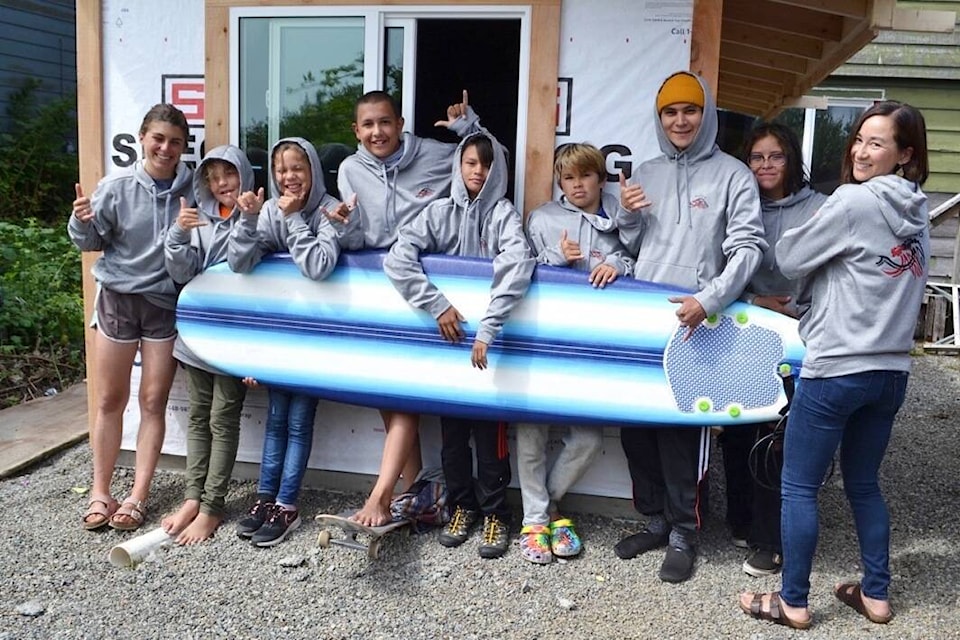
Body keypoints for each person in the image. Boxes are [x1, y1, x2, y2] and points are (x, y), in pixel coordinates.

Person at [740, 101, 930, 629]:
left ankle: (793, 601)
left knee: (798, 485)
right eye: (860, 139)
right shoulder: (918, 213)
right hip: (890, 371)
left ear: (905, 153)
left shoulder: (853, 201)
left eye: (878, 143)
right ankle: (876, 596)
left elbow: (791, 257)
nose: (862, 151)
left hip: (839, 366)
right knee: (864, 485)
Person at [614, 71, 765, 583]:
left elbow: (747, 249)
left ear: (707, 115)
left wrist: (709, 299)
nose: (680, 120)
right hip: (643, 325)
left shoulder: (733, 175)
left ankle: (684, 532)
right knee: (637, 430)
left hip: (699, 325)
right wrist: (628, 221)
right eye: (670, 112)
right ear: (659, 118)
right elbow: (632, 250)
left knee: (683, 435)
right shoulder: (646, 173)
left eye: (690, 110)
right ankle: (656, 521)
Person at [326, 89, 483, 527]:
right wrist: (341, 228)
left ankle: (380, 496)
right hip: (379, 290)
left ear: (400, 123)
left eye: (385, 122)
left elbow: (487, 166)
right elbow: (357, 236)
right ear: (356, 132)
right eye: (368, 125)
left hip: (427, 286)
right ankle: (418, 491)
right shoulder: (352, 168)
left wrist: (470, 129)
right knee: (388, 397)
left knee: (403, 397)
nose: (378, 132)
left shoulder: (435, 155)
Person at [383, 131, 535, 558]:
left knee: (490, 442)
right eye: (470, 163)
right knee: (452, 440)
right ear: (458, 165)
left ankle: (494, 515)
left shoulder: (504, 214)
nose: (478, 172)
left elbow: (517, 265)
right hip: (447, 350)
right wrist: (437, 304)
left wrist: (488, 327)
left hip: (490, 351)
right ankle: (462, 507)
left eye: (486, 165)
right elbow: (398, 258)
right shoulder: (438, 212)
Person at [68, 104, 194, 532]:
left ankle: (139, 495)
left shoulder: (191, 189)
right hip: (118, 301)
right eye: (158, 138)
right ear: (142, 138)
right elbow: (91, 240)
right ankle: (100, 491)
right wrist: (80, 219)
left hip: (163, 305)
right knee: (108, 399)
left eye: (175, 142)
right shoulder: (116, 185)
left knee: (153, 402)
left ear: (183, 147)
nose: (166, 148)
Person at [514, 142, 631, 564]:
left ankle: (548, 506)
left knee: (587, 436)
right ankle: (535, 521)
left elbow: (640, 258)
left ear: (600, 177)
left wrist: (618, 265)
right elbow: (519, 269)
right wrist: (554, 258)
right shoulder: (543, 218)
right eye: (568, 178)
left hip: (592, 349)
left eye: (585, 176)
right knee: (531, 433)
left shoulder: (620, 217)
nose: (577, 185)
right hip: (542, 341)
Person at [719, 122, 827, 576]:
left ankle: (771, 539)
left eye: (776, 156)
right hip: (744, 329)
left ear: (792, 160)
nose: (765, 166)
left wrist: (799, 309)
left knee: (777, 440)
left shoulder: (820, 208)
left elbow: (830, 272)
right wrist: (752, 301)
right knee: (738, 429)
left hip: (797, 337)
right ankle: (741, 518)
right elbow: (720, 269)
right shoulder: (738, 206)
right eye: (757, 157)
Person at [228, 137, 341, 547]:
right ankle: (264, 500)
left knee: (298, 422)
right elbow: (240, 263)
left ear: (312, 169)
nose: (289, 177)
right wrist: (247, 220)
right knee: (275, 421)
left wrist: (294, 220)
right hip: (276, 338)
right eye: (281, 170)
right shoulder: (269, 211)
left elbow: (318, 267)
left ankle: (288, 504)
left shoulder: (328, 211)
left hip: (313, 341)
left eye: (297, 168)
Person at [160, 144, 262, 544]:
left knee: (223, 417)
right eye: (214, 177)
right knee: (199, 416)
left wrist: (249, 220)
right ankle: (191, 497)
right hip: (196, 335)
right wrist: (178, 233)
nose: (222, 184)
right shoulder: (195, 218)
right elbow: (180, 271)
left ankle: (212, 506)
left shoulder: (258, 216)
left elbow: (241, 264)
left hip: (234, 339)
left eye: (230, 175)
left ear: (245, 176)